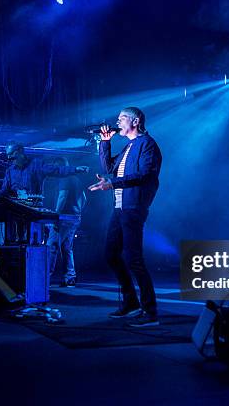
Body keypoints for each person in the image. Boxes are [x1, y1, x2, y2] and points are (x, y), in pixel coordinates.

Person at [88, 107, 162, 328]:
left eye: (121, 119)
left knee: (134, 259)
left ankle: (150, 312)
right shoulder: (129, 146)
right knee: (111, 255)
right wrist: (105, 142)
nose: (117, 122)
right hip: (120, 208)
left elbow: (144, 175)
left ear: (136, 121)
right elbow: (109, 167)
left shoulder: (146, 144)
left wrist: (112, 183)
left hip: (134, 207)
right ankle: (131, 303)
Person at [1, 143, 89, 243]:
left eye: (12, 155)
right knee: (16, 240)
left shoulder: (36, 164)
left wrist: (75, 169)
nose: (9, 158)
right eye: (8, 156)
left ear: (20, 152)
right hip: (16, 212)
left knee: (34, 242)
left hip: (34, 211)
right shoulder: (10, 171)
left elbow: (56, 170)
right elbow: (4, 191)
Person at [46, 156, 87, 287]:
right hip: (75, 218)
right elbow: (84, 199)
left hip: (63, 218)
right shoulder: (77, 179)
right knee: (66, 248)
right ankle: (70, 277)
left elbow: (62, 197)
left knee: (51, 245)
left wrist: (55, 216)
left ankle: (45, 276)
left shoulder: (64, 178)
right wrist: (77, 212)